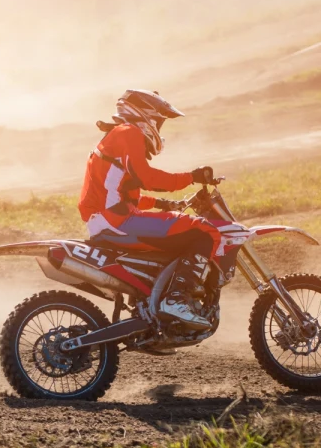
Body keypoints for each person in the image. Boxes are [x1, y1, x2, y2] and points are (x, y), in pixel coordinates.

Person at [78, 89, 221, 328]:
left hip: (106, 220)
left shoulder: (115, 136)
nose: (160, 127)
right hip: (116, 222)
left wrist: (160, 204)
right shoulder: (129, 132)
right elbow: (147, 178)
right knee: (204, 231)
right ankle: (175, 300)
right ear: (145, 115)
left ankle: (152, 301)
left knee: (176, 230)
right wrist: (191, 177)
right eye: (160, 121)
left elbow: (117, 192)